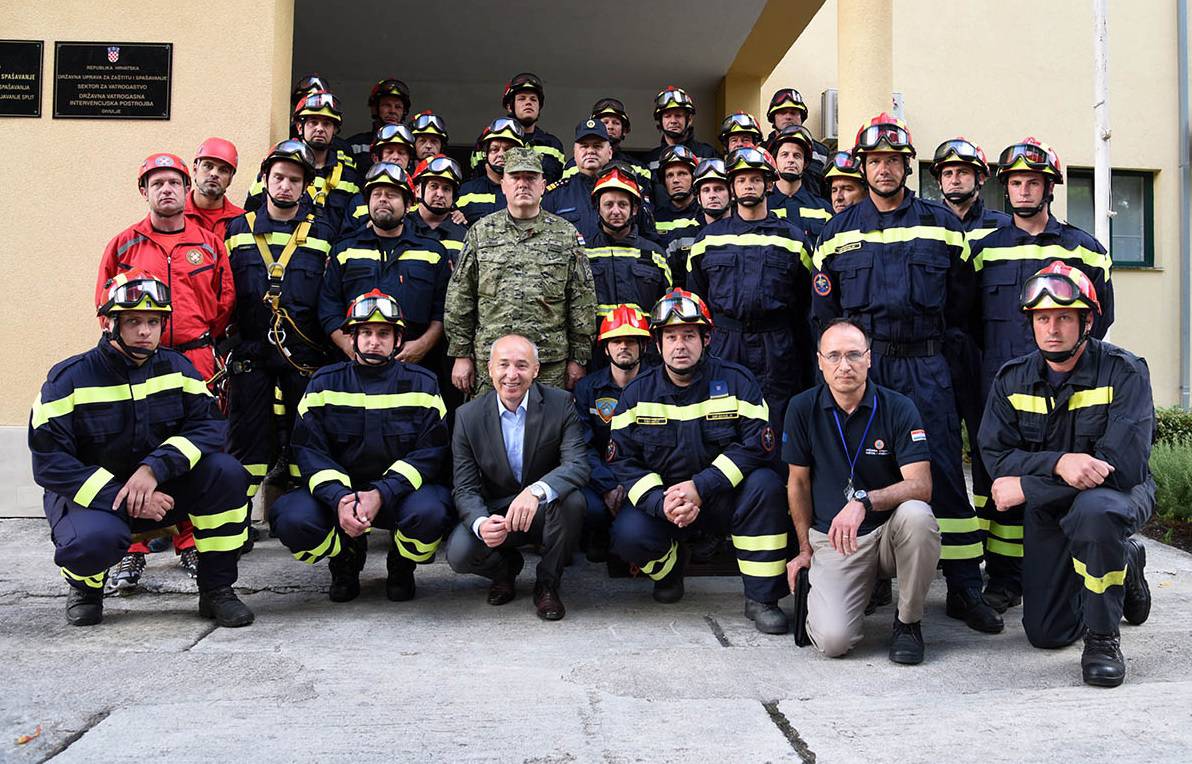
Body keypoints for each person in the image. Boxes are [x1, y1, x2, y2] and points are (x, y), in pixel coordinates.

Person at [812, 113, 1002, 633]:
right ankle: (870, 579)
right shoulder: (836, 234)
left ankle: (964, 586)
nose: (885, 170)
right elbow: (825, 317)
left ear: (906, 167)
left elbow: (964, 305)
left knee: (940, 470)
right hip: (866, 370)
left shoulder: (943, 225)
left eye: (894, 161)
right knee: (865, 471)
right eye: (875, 161)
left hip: (926, 365)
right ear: (864, 167)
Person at [30, 270, 253, 627]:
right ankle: (86, 586)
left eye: (154, 321)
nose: (145, 331)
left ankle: (217, 589)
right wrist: (124, 495)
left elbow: (210, 427)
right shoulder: (68, 379)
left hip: (159, 488)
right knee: (92, 543)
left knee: (227, 474)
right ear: (108, 322)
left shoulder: (177, 368)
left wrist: (154, 470)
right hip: (93, 500)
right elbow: (50, 463)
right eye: (133, 321)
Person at [979, 263, 1151, 687]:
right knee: (1046, 634)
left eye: (1063, 318)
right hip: (1051, 506)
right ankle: (1123, 561)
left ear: (1087, 321)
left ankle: (1103, 638)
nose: (1052, 329)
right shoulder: (1011, 380)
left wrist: (1030, 482)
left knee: (1095, 514)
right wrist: (1059, 463)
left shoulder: (1125, 371)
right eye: (1042, 319)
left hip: (1117, 495)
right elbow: (995, 457)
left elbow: (1121, 466)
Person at [968, 139, 1116, 611]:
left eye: (1034, 182)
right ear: (1004, 189)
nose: (1024, 190)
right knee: (1000, 478)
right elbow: (964, 318)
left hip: (1065, 389)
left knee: (1067, 473)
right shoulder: (981, 249)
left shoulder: (1085, 250)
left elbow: (1100, 320)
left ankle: (1068, 568)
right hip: (1001, 387)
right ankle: (1006, 577)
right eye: (1016, 182)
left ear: (1049, 188)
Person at [608, 289, 791, 633]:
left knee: (765, 486)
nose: (680, 345)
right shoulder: (636, 395)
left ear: (706, 339)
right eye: (671, 336)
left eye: (689, 335)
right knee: (626, 534)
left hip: (721, 498)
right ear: (658, 343)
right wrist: (661, 504)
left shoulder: (738, 382)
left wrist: (700, 487)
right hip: (665, 505)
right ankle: (670, 571)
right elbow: (624, 462)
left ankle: (762, 598)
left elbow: (759, 445)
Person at [97, 153, 235, 587]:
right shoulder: (124, 244)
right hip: (136, 363)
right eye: (157, 183)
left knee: (195, 449)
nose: (167, 190)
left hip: (194, 358)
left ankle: (190, 541)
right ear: (144, 191)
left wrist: (196, 342)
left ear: (186, 185)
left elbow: (224, 301)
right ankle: (132, 549)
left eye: (174, 182)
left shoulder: (210, 244)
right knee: (132, 448)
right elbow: (105, 304)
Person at [269, 290, 452, 602]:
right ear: (351, 338)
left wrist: (382, 492)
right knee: (291, 518)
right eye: (365, 332)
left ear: (398, 340)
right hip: (339, 498)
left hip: (400, 496)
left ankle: (402, 562)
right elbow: (310, 451)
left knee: (433, 512)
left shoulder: (423, 383)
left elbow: (430, 454)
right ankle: (344, 556)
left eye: (383, 333)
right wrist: (340, 498)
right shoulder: (324, 383)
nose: (373, 341)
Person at [784, 318, 940, 663]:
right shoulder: (801, 408)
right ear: (820, 361)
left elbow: (921, 485)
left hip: (888, 534)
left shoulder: (899, 407)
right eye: (834, 356)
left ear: (869, 359)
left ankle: (908, 623)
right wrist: (805, 548)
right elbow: (797, 483)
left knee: (918, 515)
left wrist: (865, 501)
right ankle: (862, 587)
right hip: (834, 540)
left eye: (854, 355)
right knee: (833, 642)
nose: (845, 365)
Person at [223, 140, 336, 512]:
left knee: (304, 435)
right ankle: (237, 522)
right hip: (250, 350)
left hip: (303, 353)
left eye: (294, 180)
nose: (285, 185)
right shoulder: (237, 229)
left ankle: (301, 512)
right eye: (279, 178)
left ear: (305, 187)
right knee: (247, 441)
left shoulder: (324, 233)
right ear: (266, 180)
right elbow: (220, 291)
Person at [446, 334, 589, 620]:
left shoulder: (561, 404)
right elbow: (464, 487)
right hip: (498, 513)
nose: (512, 375)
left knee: (574, 501)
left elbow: (578, 465)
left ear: (536, 370)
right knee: (459, 554)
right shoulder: (467, 416)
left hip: (544, 511)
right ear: (490, 369)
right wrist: (480, 522)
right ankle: (505, 570)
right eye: (504, 365)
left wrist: (536, 490)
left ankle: (547, 584)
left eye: (522, 366)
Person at [445, 147, 597, 394]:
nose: (523, 184)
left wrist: (578, 359)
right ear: (503, 184)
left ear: (543, 185)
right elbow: (460, 296)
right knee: (490, 430)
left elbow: (582, 300)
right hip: (491, 365)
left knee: (547, 430)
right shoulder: (481, 232)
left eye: (531, 178)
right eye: (515, 177)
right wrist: (461, 355)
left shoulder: (565, 234)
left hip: (548, 364)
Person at [688, 147, 813, 427]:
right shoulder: (707, 239)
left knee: (776, 417)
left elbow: (807, 304)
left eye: (755, 179)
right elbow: (697, 300)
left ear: (769, 184)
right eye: (741, 180)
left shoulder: (792, 238)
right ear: (731, 186)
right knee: (722, 417)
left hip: (777, 346)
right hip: (724, 343)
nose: (748, 185)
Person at [321, 163, 450, 375]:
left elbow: (443, 309)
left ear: (409, 205)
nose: (382, 199)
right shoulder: (344, 250)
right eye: (376, 194)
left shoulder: (433, 252)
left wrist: (423, 344)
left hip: (416, 366)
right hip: (353, 367)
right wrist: (347, 345)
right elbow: (328, 305)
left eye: (391, 195)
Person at [573, 305, 651, 561]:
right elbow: (581, 445)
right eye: (616, 341)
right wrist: (606, 486)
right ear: (605, 348)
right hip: (599, 479)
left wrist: (634, 485)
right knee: (584, 505)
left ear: (644, 346)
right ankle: (598, 533)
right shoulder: (587, 389)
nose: (623, 347)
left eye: (631, 341)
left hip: (645, 479)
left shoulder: (657, 386)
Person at [245, 92, 361, 233]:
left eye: (327, 124)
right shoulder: (277, 168)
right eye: (313, 122)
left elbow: (354, 224)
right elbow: (250, 216)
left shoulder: (349, 174)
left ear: (334, 131)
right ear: (300, 128)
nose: (320, 129)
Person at [582, 167, 671, 343]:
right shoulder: (582, 253)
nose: (615, 211)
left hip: (644, 347)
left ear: (635, 209)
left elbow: (666, 309)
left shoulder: (654, 254)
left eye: (622, 204)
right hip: (596, 349)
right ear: (597, 208)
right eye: (608, 204)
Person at [544, 119, 656, 243]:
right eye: (584, 146)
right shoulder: (556, 195)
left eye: (597, 146)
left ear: (609, 153)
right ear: (574, 153)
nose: (590, 151)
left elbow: (649, 240)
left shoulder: (631, 191)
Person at [338, 123, 419, 235]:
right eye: (389, 152)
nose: (396, 157)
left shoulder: (422, 199)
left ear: (409, 160)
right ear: (376, 158)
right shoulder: (358, 201)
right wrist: (368, 229)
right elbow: (344, 244)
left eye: (402, 153)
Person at [644, 86, 718, 199]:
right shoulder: (650, 160)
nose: (673, 121)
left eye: (678, 115)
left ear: (689, 120)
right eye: (667, 116)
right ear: (660, 121)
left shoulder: (707, 154)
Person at [767, 125, 834, 244]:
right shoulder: (763, 206)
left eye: (797, 155)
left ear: (805, 163)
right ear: (774, 161)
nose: (791, 160)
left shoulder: (824, 209)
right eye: (785, 155)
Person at [457, 117, 525, 225]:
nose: (501, 154)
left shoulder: (528, 190)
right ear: (486, 154)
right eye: (495, 149)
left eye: (508, 150)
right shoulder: (465, 192)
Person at [763, 88, 829, 197]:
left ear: (801, 117)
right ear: (773, 117)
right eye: (782, 112)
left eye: (793, 113)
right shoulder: (762, 151)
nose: (788, 117)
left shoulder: (822, 152)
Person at [502, 72, 565, 183]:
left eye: (533, 99)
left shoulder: (553, 145)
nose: (528, 103)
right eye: (522, 99)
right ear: (509, 107)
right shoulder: (494, 142)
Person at [652, 146, 702, 280]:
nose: (675, 180)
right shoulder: (656, 219)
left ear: (693, 178)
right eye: (669, 175)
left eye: (682, 174)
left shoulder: (706, 215)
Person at [344, 77, 412, 171]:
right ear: (375, 108)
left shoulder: (412, 146)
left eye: (398, 107)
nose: (392, 111)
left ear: (404, 112)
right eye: (387, 105)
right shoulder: (354, 145)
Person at [185, 137, 244, 241]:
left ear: (230, 178)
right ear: (195, 169)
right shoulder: (174, 215)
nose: (214, 174)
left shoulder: (243, 221)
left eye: (223, 170)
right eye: (208, 166)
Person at [824, 150, 866, 214]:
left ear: (866, 193)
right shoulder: (829, 223)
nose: (838, 197)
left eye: (847, 189)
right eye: (834, 190)